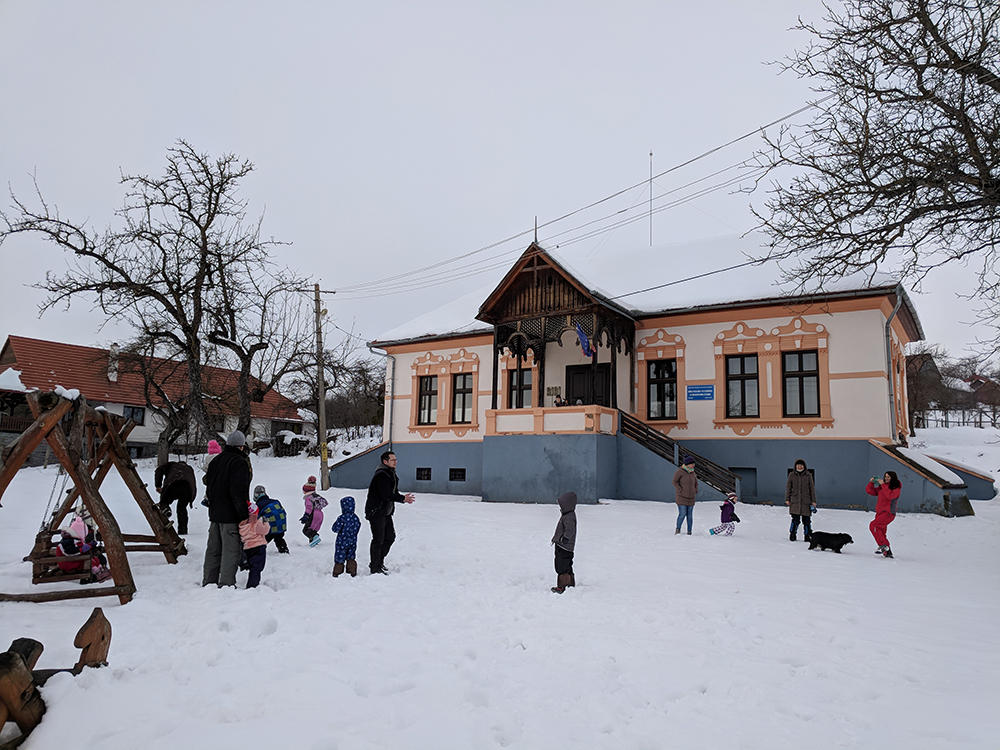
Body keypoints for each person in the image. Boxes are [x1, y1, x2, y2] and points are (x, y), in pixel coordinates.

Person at [202, 430, 251, 587]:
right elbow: (238, 491)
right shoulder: (239, 462)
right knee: (231, 551)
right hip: (231, 516)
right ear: (241, 446)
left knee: (213, 550)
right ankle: (227, 585)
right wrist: (243, 515)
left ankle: (209, 581)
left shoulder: (215, 461)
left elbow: (209, 488)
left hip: (215, 514)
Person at [364, 451, 416, 574]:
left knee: (390, 537)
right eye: (392, 460)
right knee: (378, 539)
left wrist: (402, 497)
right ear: (385, 462)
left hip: (386, 512)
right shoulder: (381, 475)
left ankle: (379, 561)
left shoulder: (390, 473)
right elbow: (386, 495)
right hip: (377, 512)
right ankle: (375, 567)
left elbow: (393, 492)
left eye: (396, 460)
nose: (395, 462)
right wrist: (402, 499)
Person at [154, 460, 197, 535]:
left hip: (173, 485)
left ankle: (166, 510)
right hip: (187, 488)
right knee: (182, 508)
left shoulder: (171, 465)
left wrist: (158, 485)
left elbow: (159, 470)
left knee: (164, 502)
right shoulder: (189, 468)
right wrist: (191, 498)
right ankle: (182, 531)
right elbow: (193, 483)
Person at [867, 471, 901, 558]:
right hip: (879, 513)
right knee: (881, 532)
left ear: (893, 478)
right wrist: (871, 483)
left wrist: (883, 485)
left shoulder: (896, 488)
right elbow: (871, 491)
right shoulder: (883, 487)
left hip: (888, 513)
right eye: (885, 477)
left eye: (888, 477)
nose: (886, 478)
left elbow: (889, 496)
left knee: (873, 526)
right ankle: (887, 552)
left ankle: (883, 545)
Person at [239, 499, 270, 588]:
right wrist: (266, 523)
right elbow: (265, 531)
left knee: (253, 567)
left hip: (248, 549)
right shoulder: (256, 524)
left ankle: (252, 583)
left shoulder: (242, 526)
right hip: (258, 547)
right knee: (257, 567)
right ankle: (252, 585)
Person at [550, 491, 578, 593]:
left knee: (561, 565)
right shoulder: (567, 515)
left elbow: (570, 530)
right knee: (567, 565)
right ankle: (570, 584)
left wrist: (563, 539)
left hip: (564, 546)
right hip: (565, 546)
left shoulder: (569, 516)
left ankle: (562, 586)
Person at [785, 459, 817, 542]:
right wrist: (787, 499)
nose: (799, 467)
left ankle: (807, 535)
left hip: (806, 502)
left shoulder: (808, 475)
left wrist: (813, 501)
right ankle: (792, 534)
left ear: (804, 466)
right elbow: (788, 488)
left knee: (807, 521)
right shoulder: (792, 475)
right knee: (795, 520)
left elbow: (812, 489)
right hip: (795, 501)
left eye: (801, 465)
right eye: (798, 465)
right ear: (795, 466)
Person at [330, 495, 362, 577]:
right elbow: (358, 526)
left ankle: (337, 572)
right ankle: (352, 571)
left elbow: (335, 528)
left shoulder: (342, 518)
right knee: (351, 556)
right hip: (352, 541)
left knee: (340, 557)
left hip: (342, 541)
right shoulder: (356, 518)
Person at [254, 486, 289, 554]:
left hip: (270, 529)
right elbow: (284, 512)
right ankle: (283, 549)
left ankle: (259, 551)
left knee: (264, 540)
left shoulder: (258, 505)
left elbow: (255, 518)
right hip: (281, 526)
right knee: (279, 538)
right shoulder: (276, 501)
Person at [672, 456, 698, 535]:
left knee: (689, 516)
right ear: (687, 464)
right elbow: (674, 481)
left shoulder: (693, 473)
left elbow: (696, 483)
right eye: (691, 464)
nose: (693, 465)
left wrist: (695, 490)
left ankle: (689, 531)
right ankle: (678, 528)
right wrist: (680, 489)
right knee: (682, 514)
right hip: (681, 497)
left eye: (693, 464)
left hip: (691, 498)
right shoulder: (680, 471)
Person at [300, 476, 328, 548]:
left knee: (306, 530)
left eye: (304, 490)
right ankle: (314, 542)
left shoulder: (308, 498)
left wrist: (306, 516)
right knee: (313, 529)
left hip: (313, 514)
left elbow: (309, 508)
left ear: (307, 491)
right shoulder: (316, 496)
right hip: (320, 514)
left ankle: (315, 537)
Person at [200, 439, 223, 507]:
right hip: (219, 476)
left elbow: (205, 468)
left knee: (209, 488)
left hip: (211, 476)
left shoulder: (208, 457)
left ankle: (206, 499)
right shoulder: (220, 457)